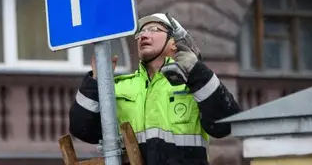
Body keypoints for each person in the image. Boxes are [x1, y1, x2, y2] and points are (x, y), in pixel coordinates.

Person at [69, 12, 241, 165]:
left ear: (174, 43)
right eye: (140, 32)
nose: (144, 35)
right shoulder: (119, 87)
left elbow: (225, 125)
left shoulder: (193, 83)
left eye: (154, 29)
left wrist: (196, 70)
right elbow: (82, 130)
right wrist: (95, 81)